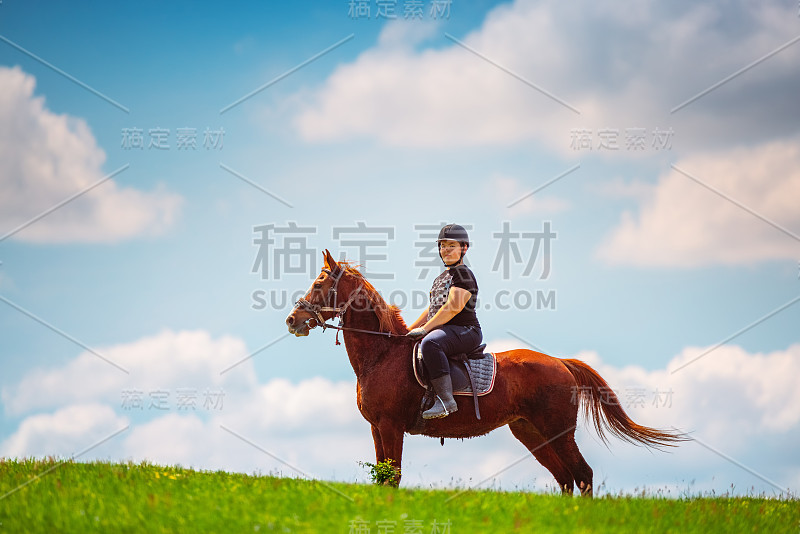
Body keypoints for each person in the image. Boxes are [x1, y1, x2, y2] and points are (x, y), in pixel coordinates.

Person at [407, 224, 482, 419]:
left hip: (465, 330)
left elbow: (453, 307)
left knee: (430, 343)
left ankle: (446, 401)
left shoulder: (463, 274)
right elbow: (432, 309)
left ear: (463, 248)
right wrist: (407, 330)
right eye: (442, 246)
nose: (445, 250)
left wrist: (425, 330)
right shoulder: (440, 278)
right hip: (445, 331)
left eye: (451, 245)